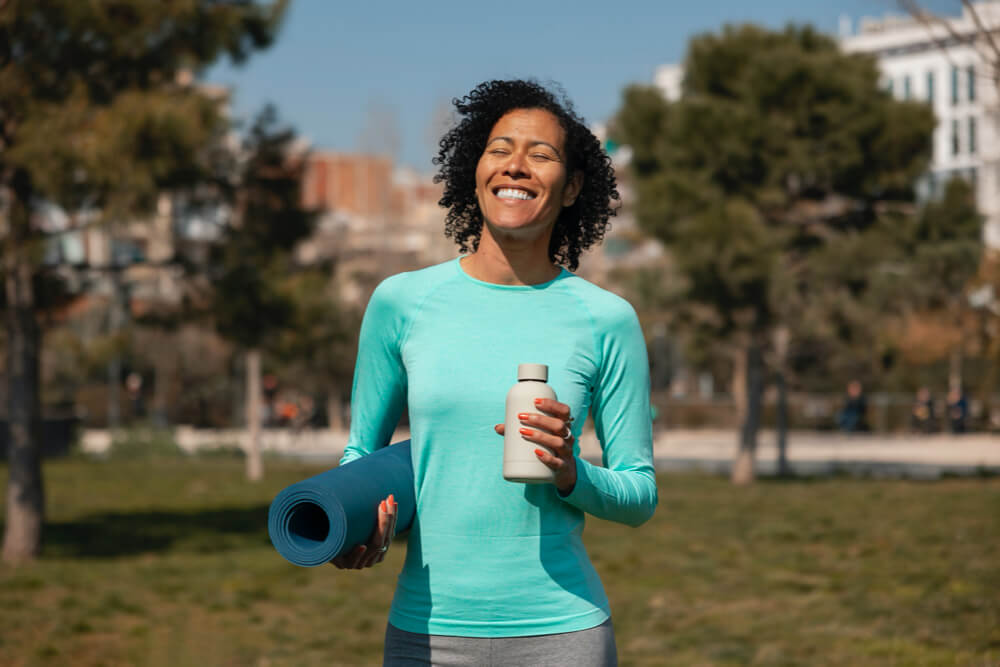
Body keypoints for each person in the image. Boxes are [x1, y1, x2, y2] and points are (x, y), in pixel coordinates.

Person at [332, 79, 657, 666]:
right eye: (500, 149)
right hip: (424, 633)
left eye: (542, 155)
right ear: (474, 170)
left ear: (572, 187)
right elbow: (361, 456)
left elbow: (639, 493)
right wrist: (361, 525)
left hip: (563, 636)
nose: (517, 166)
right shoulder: (401, 303)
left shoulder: (607, 319)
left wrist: (569, 473)